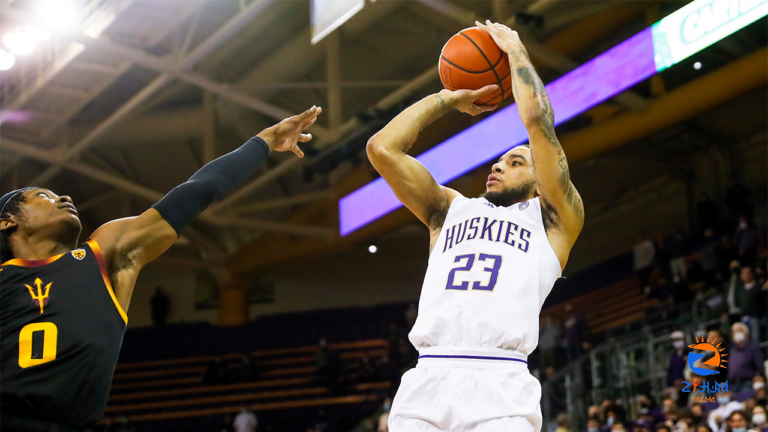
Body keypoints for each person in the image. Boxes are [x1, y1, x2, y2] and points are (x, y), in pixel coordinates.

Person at [0, 106, 321, 431]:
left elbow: (196, 191)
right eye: (43, 195)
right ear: (7, 221)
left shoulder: (105, 256)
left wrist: (264, 140)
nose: (63, 197)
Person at [368, 21, 584, 432]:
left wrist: (515, 49)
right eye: (498, 161)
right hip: (428, 376)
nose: (500, 165)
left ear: (543, 182)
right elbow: (382, 149)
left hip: (500, 382)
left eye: (516, 162)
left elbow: (537, 120)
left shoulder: (554, 219)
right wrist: (446, 100)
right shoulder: (449, 209)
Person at [728, 323, 765, 394]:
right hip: (732, 385)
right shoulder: (731, 350)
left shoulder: (752, 349)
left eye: (739, 331)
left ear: (746, 333)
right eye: (734, 332)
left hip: (747, 383)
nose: (737, 333)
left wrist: (758, 377)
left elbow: (760, 367)